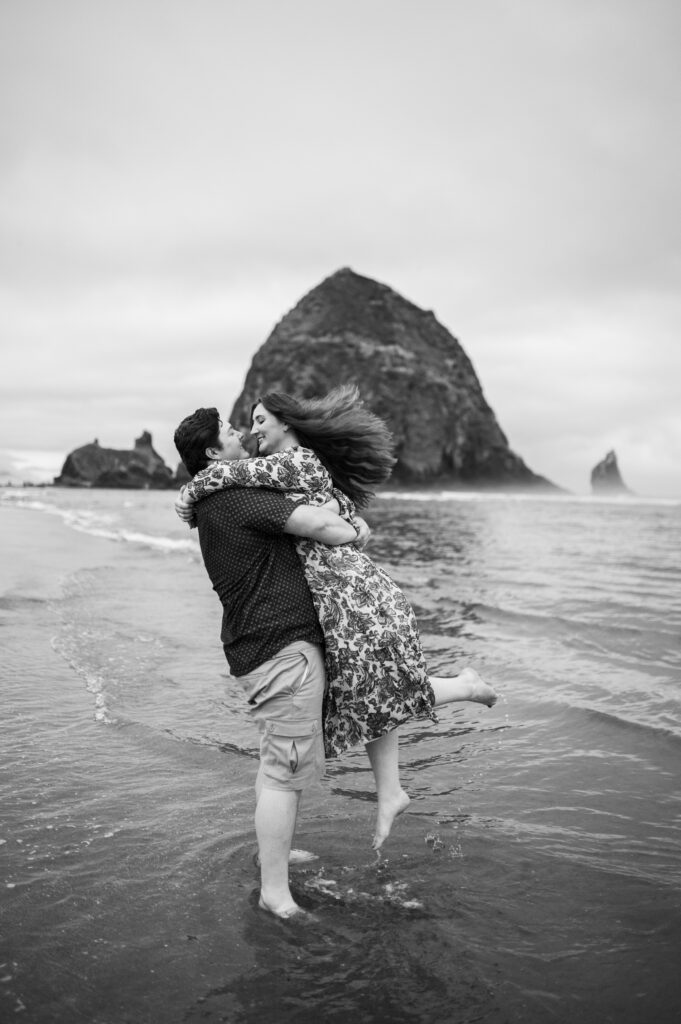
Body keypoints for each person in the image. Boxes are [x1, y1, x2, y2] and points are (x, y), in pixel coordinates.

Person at [175, 385, 497, 850]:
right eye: (242, 424)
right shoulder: (276, 476)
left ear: (287, 424)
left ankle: (459, 697)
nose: (251, 429)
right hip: (331, 593)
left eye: (261, 420)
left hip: (347, 592)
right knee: (368, 691)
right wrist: (346, 519)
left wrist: (190, 492)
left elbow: (227, 479)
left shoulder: (290, 463)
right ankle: (398, 781)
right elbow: (316, 511)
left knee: (372, 689)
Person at [173, 407, 367, 920]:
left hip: (256, 648)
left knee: (273, 761)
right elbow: (328, 528)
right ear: (214, 454)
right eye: (229, 433)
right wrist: (356, 528)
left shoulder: (213, 501)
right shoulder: (236, 496)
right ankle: (275, 893)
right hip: (282, 648)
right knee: (284, 772)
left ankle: (272, 853)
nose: (241, 433)